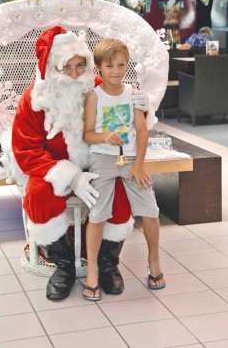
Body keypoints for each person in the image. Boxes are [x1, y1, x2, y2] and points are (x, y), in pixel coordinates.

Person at [11, 26, 150, 301]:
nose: (75, 75)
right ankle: (63, 266)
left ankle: (108, 264)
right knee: (39, 194)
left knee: (120, 191)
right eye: (67, 68)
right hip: (53, 168)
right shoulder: (35, 99)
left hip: (100, 161)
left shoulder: (97, 88)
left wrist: (142, 107)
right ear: (52, 69)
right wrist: (71, 176)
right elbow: (25, 148)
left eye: (80, 66)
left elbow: (125, 115)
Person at [82, 38, 165, 301]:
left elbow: (141, 132)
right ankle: (93, 269)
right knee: (97, 214)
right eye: (109, 66)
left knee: (150, 210)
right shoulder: (94, 97)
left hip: (131, 160)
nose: (116, 71)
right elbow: (87, 134)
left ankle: (154, 260)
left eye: (121, 65)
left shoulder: (134, 95)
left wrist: (139, 165)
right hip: (103, 159)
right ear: (99, 68)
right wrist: (104, 136)